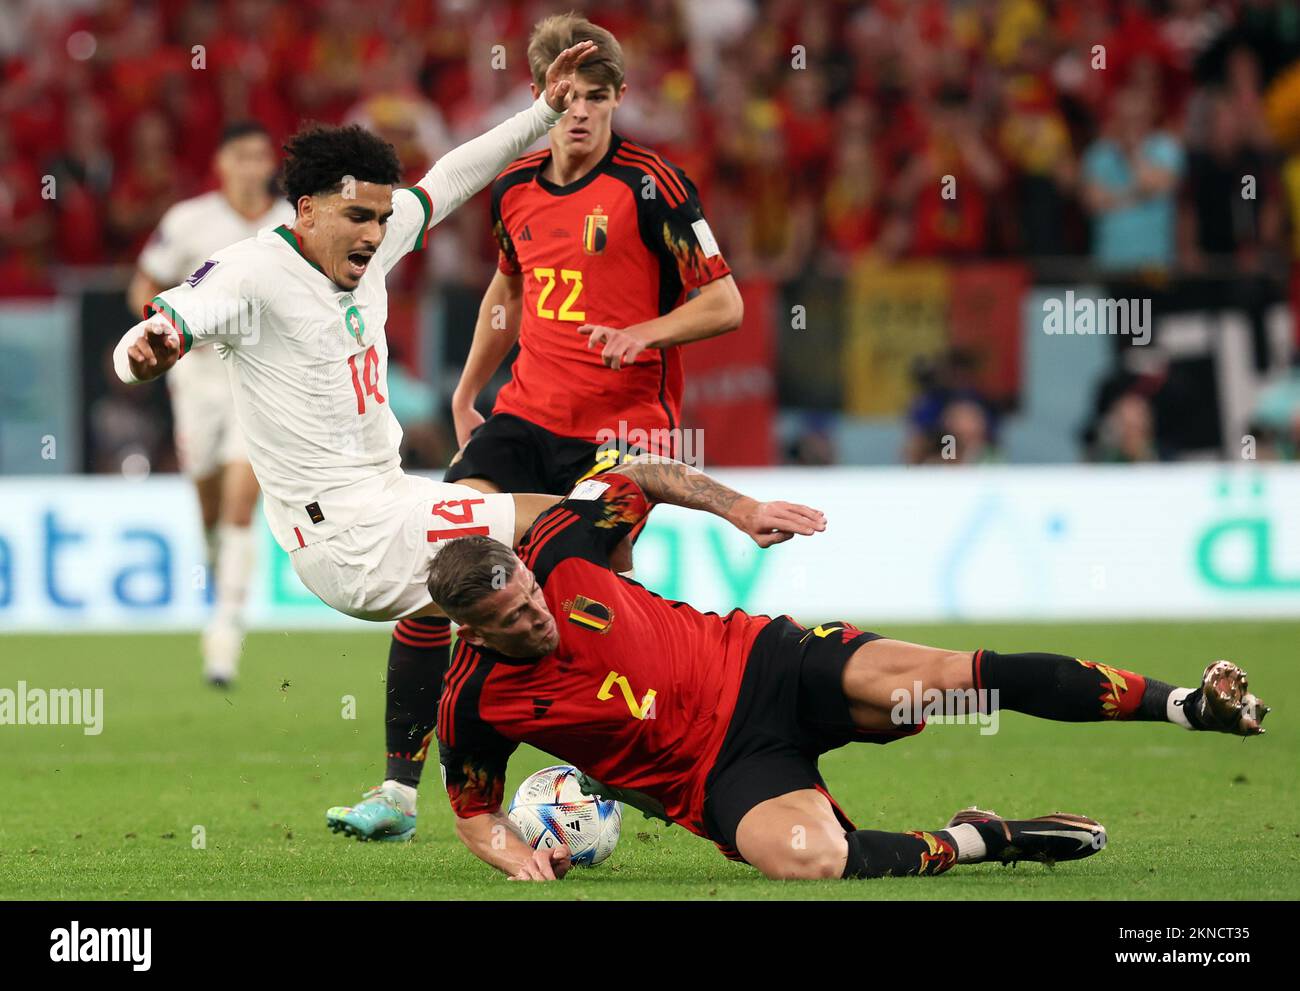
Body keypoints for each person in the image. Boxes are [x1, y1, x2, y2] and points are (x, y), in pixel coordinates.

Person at [426, 460, 1270, 881]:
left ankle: (1189, 704)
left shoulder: (559, 542)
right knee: (812, 859)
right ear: (471, 629)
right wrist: (515, 857)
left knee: (956, 679)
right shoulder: (473, 702)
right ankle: (986, 836)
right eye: (512, 619)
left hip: (767, 664)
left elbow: (637, 472)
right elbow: (473, 811)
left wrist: (742, 508)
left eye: (532, 596)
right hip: (718, 773)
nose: (535, 613)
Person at [327, 13, 743, 843]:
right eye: (566, 96)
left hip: (623, 429)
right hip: (523, 415)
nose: (580, 112)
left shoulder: (654, 184)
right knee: (438, 572)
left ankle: (636, 762)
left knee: (592, 594)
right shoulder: (514, 185)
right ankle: (398, 792)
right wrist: (471, 386)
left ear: (621, 98)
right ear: (540, 97)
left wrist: (643, 335)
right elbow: (507, 293)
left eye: (597, 96)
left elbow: (725, 302)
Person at [109, 44, 596, 673]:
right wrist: (144, 355)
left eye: (382, 217)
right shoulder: (250, 273)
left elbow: (449, 178)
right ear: (306, 212)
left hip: (391, 499)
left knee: (542, 572)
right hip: (347, 541)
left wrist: (541, 114)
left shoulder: (375, 239)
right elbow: (162, 325)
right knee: (566, 532)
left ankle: (421, 768)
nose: (374, 233)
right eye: (358, 217)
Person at [126, 120, 294, 686]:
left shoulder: (290, 222)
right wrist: (164, 332)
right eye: (241, 156)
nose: (252, 167)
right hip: (196, 379)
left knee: (241, 504)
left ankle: (224, 635)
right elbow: (143, 284)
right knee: (207, 503)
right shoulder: (189, 220)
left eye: (260, 156)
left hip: (257, 377)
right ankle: (219, 575)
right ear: (221, 163)